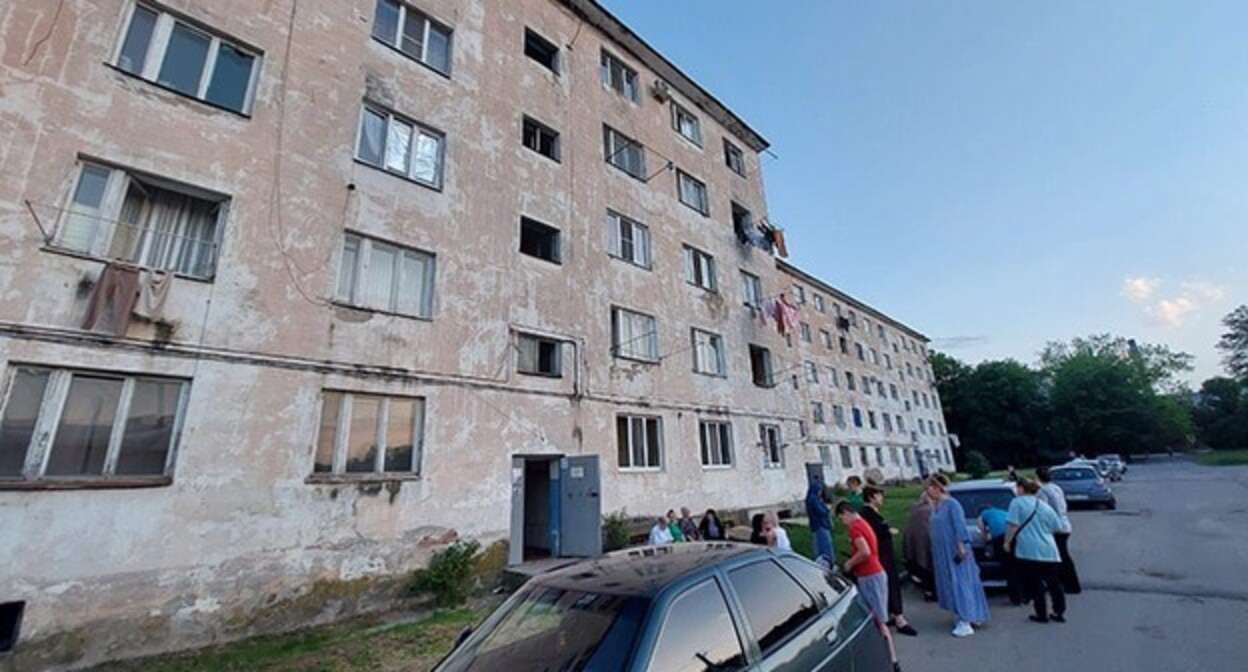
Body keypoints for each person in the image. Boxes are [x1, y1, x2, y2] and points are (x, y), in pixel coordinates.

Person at [837, 501, 903, 672]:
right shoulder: (863, 523)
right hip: (875, 574)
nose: (843, 522)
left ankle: (892, 660)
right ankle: (890, 659)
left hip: (870, 576)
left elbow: (865, 551)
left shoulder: (855, 528)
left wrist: (850, 563)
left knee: (879, 621)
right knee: (878, 618)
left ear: (846, 513)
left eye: (841, 518)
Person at [925, 474, 991, 637]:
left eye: (928, 488)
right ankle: (968, 614)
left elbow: (959, 525)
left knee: (961, 583)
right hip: (943, 551)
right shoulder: (938, 505)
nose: (926, 492)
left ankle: (965, 619)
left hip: (954, 549)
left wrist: (961, 545)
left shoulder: (952, 504)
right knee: (953, 583)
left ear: (936, 487)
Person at [1006, 479, 1067, 623]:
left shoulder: (1016, 503)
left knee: (1035, 584)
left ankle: (1042, 614)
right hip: (1049, 550)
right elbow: (1057, 527)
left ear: (1021, 489)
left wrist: (1007, 542)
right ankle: (1059, 611)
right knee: (1054, 584)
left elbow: (1013, 525)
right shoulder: (1044, 506)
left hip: (1028, 551)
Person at [862, 486, 918, 636]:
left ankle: (891, 613)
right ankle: (899, 618)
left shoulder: (873, 513)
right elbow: (875, 532)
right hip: (880, 555)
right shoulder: (867, 514)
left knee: (888, 583)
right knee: (890, 583)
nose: (882, 499)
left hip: (885, 553)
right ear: (872, 497)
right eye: (880, 496)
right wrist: (888, 531)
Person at [1036, 466, 1082, 594]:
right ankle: (1070, 584)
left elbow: (1043, 510)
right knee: (1063, 554)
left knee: (1059, 556)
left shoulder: (1042, 491)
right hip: (1065, 524)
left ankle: (1066, 584)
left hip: (1055, 527)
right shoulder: (1056, 488)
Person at [978, 503, 1021, 605]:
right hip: (1013, 537)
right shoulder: (1004, 511)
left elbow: (983, 531)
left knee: (1008, 569)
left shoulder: (982, 515)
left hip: (999, 538)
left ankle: (1015, 598)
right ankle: (1024, 594)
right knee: (1016, 566)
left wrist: (986, 540)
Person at [902, 491, 937, 602]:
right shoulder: (930, 510)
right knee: (930, 566)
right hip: (927, 541)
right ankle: (932, 591)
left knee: (922, 566)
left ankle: (927, 591)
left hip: (914, 542)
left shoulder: (915, 510)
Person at [806, 476, 834, 564]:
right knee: (825, 545)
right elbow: (822, 511)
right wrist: (828, 509)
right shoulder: (814, 499)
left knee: (818, 545)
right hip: (820, 524)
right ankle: (828, 563)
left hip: (815, 525)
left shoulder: (811, 499)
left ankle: (821, 562)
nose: (820, 492)